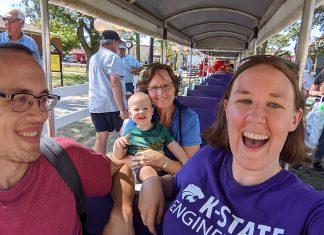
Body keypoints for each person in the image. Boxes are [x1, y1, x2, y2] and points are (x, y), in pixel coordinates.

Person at [138, 55, 324, 235]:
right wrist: (151, 180)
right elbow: (176, 183)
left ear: (294, 119)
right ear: (227, 109)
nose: (256, 117)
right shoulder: (208, 158)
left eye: (274, 104)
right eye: (244, 100)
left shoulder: (309, 210)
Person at [0, 43, 135, 235]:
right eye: (20, 99)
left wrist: (123, 213)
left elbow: (120, 168)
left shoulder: (62, 158)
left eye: (43, 99)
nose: (41, 116)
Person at [112, 92, 188, 182]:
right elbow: (118, 157)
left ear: (152, 111)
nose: (141, 112)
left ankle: (157, 186)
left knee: (169, 179)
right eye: (136, 109)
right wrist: (118, 144)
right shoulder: (129, 134)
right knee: (147, 171)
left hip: (160, 167)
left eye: (145, 108)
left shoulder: (161, 130)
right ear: (130, 114)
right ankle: (153, 185)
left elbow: (175, 147)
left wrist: (186, 163)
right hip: (139, 169)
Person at [89, 30, 128, 154]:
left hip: (96, 105)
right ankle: (123, 167)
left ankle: (99, 168)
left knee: (101, 138)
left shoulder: (94, 57)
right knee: (124, 136)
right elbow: (115, 82)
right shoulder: (113, 57)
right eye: (118, 44)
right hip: (113, 105)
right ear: (115, 42)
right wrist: (122, 110)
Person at [309, 68, 324, 172]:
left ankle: (317, 162)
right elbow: (311, 91)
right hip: (320, 108)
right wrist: (320, 93)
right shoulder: (323, 73)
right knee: (311, 135)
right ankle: (299, 160)